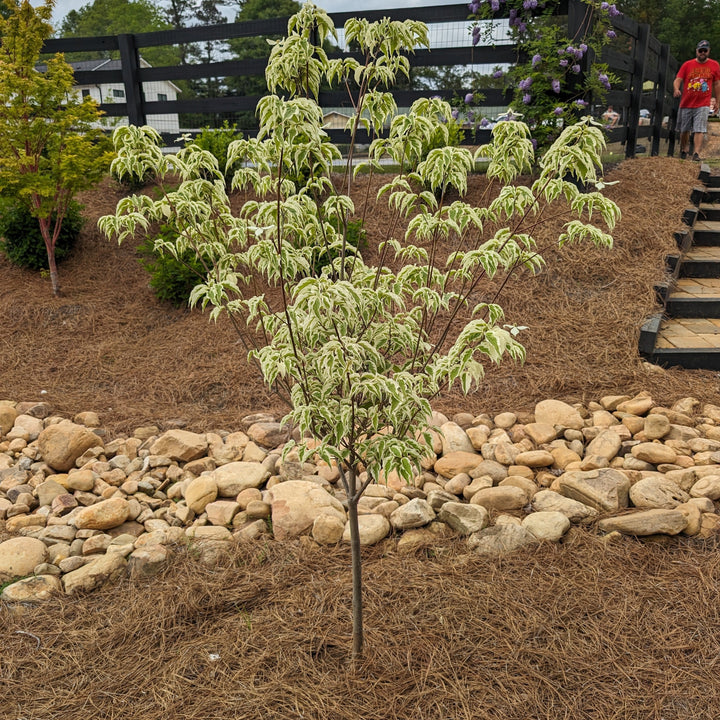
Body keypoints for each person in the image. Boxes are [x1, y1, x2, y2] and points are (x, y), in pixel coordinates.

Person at [673, 40, 720, 161]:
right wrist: (676, 89)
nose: (702, 53)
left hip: (703, 103)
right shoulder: (687, 65)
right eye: (700, 50)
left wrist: (718, 101)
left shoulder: (714, 65)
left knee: (700, 128)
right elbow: (678, 79)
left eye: (705, 50)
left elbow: (716, 84)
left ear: (708, 51)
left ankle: (696, 153)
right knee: (684, 130)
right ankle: (684, 149)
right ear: (697, 51)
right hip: (687, 102)